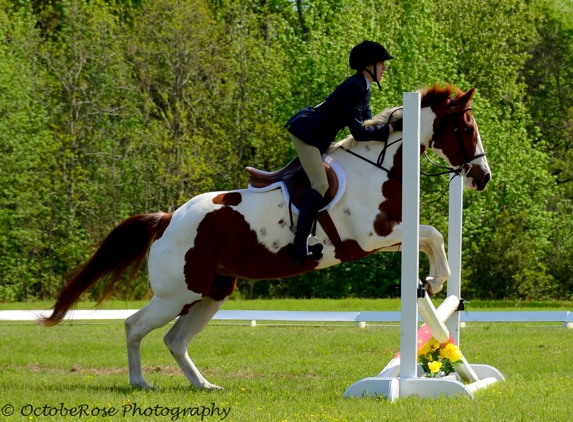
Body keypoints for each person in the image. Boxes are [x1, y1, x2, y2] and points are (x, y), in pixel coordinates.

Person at [285, 40, 402, 266]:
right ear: (368, 66)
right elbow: (359, 133)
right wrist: (392, 128)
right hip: (307, 134)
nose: (385, 68)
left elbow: (367, 124)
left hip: (319, 136)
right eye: (381, 64)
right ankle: (299, 244)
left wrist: (391, 127)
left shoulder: (363, 87)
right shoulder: (354, 87)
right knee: (320, 183)